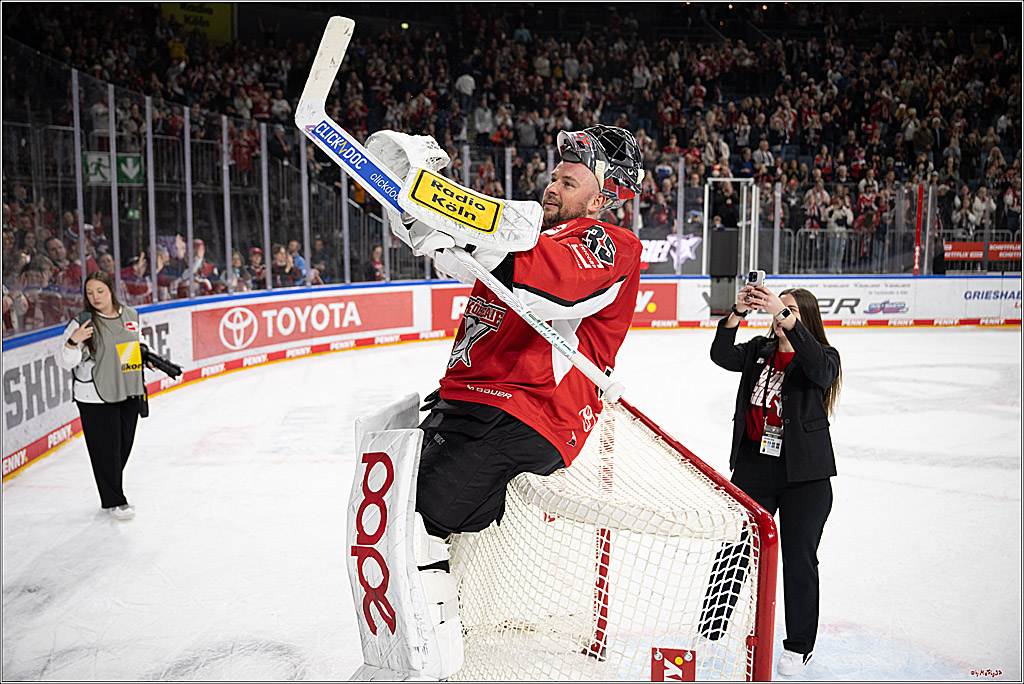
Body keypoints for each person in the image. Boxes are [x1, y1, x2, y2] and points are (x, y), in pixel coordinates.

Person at [359, 124, 644, 677]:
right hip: (471, 405)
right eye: (553, 176)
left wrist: (443, 198)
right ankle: (417, 653)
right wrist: (417, 210)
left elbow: (552, 280)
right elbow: (459, 257)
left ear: (604, 195)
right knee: (386, 515)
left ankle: (426, 666)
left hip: (526, 413)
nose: (552, 186)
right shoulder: (528, 239)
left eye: (569, 179)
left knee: (413, 523)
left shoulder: (608, 245)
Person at [706, 283, 842, 676]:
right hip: (755, 469)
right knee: (734, 551)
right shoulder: (759, 352)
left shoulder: (822, 358)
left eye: (792, 310)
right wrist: (736, 311)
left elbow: (819, 367)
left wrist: (784, 316)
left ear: (805, 319)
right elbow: (720, 355)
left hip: (805, 478)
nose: (782, 313)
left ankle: (799, 646)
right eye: (781, 307)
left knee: (799, 560)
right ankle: (710, 630)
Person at [57, 270, 148, 521]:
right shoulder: (83, 322)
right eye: (90, 293)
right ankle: (115, 500)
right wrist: (72, 342)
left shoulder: (129, 315)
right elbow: (67, 362)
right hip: (94, 397)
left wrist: (144, 359)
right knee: (106, 450)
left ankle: (111, 489)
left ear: (111, 290)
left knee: (123, 447)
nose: (95, 297)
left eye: (100, 291)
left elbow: (132, 346)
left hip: (127, 391)